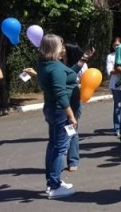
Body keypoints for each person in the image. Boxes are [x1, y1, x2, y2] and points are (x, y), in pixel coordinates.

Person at [37, 34, 90, 199]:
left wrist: (81, 62)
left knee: (54, 146)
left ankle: (53, 182)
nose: (63, 48)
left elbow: (67, 74)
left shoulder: (47, 64)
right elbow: (61, 93)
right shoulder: (55, 67)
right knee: (60, 148)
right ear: (53, 48)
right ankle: (54, 185)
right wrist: (71, 115)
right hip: (60, 111)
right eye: (61, 45)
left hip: (53, 109)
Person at [62, 43, 90, 172]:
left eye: (63, 49)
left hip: (74, 99)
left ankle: (73, 160)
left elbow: (86, 82)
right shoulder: (59, 63)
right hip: (61, 100)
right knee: (63, 129)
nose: (61, 50)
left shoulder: (82, 66)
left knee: (71, 129)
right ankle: (61, 158)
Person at [106, 38, 121, 138]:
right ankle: (117, 128)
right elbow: (110, 71)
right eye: (115, 45)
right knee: (118, 106)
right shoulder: (110, 57)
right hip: (116, 85)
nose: (116, 47)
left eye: (118, 45)